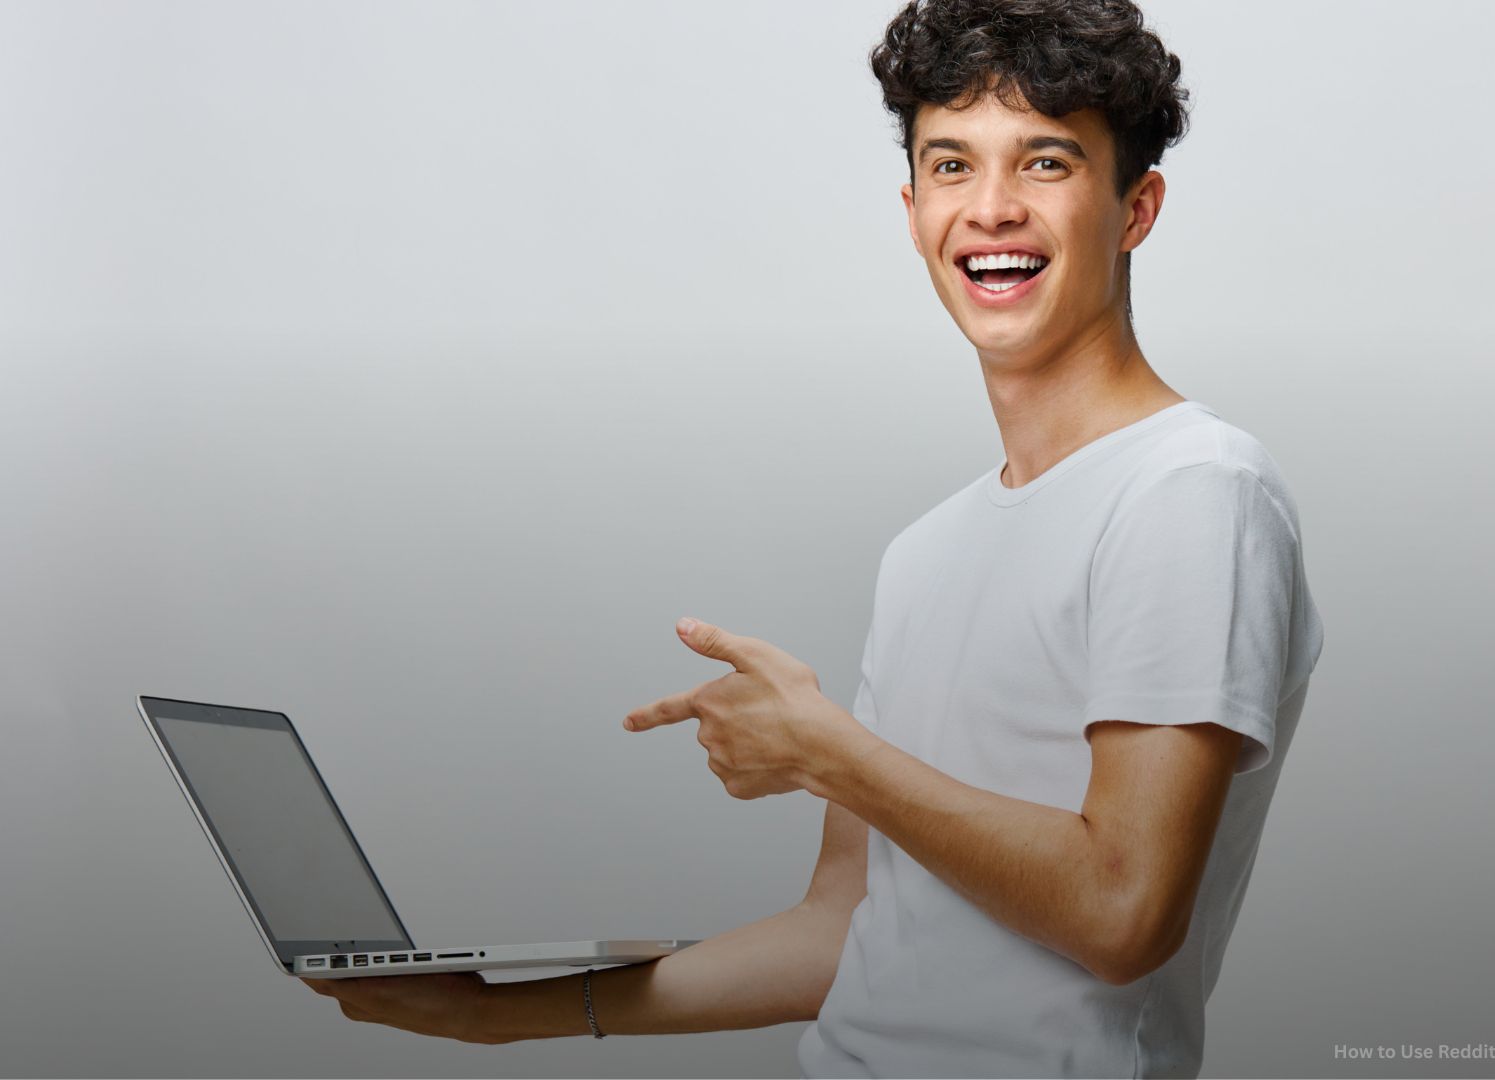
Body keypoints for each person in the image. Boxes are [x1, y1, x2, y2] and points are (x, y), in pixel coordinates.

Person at [304, 0, 1324, 1075]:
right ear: (912, 203)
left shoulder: (1192, 491)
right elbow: (846, 931)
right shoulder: (925, 554)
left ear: (1134, 208)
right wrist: (496, 1013)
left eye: (1045, 162)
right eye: (950, 165)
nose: (989, 210)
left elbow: (1123, 912)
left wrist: (832, 752)